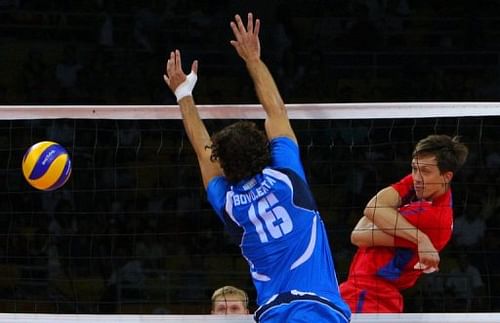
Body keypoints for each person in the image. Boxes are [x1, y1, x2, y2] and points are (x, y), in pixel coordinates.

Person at [163, 12, 351, 323]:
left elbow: (202, 150)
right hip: (317, 309)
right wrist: (252, 58)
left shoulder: (229, 205)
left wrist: (184, 94)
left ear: (222, 164)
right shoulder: (286, 179)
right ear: (264, 150)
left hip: (273, 314)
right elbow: (275, 109)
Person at [339, 134, 469, 313]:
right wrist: (420, 238)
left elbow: (359, 234)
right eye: (414, 168)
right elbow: (373, 208)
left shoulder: (432, 218)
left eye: (425, 171)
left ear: (446, 177)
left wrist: (388, 214)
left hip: (370, 295)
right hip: (367, 293)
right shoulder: (423, 184)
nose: (416, 177)